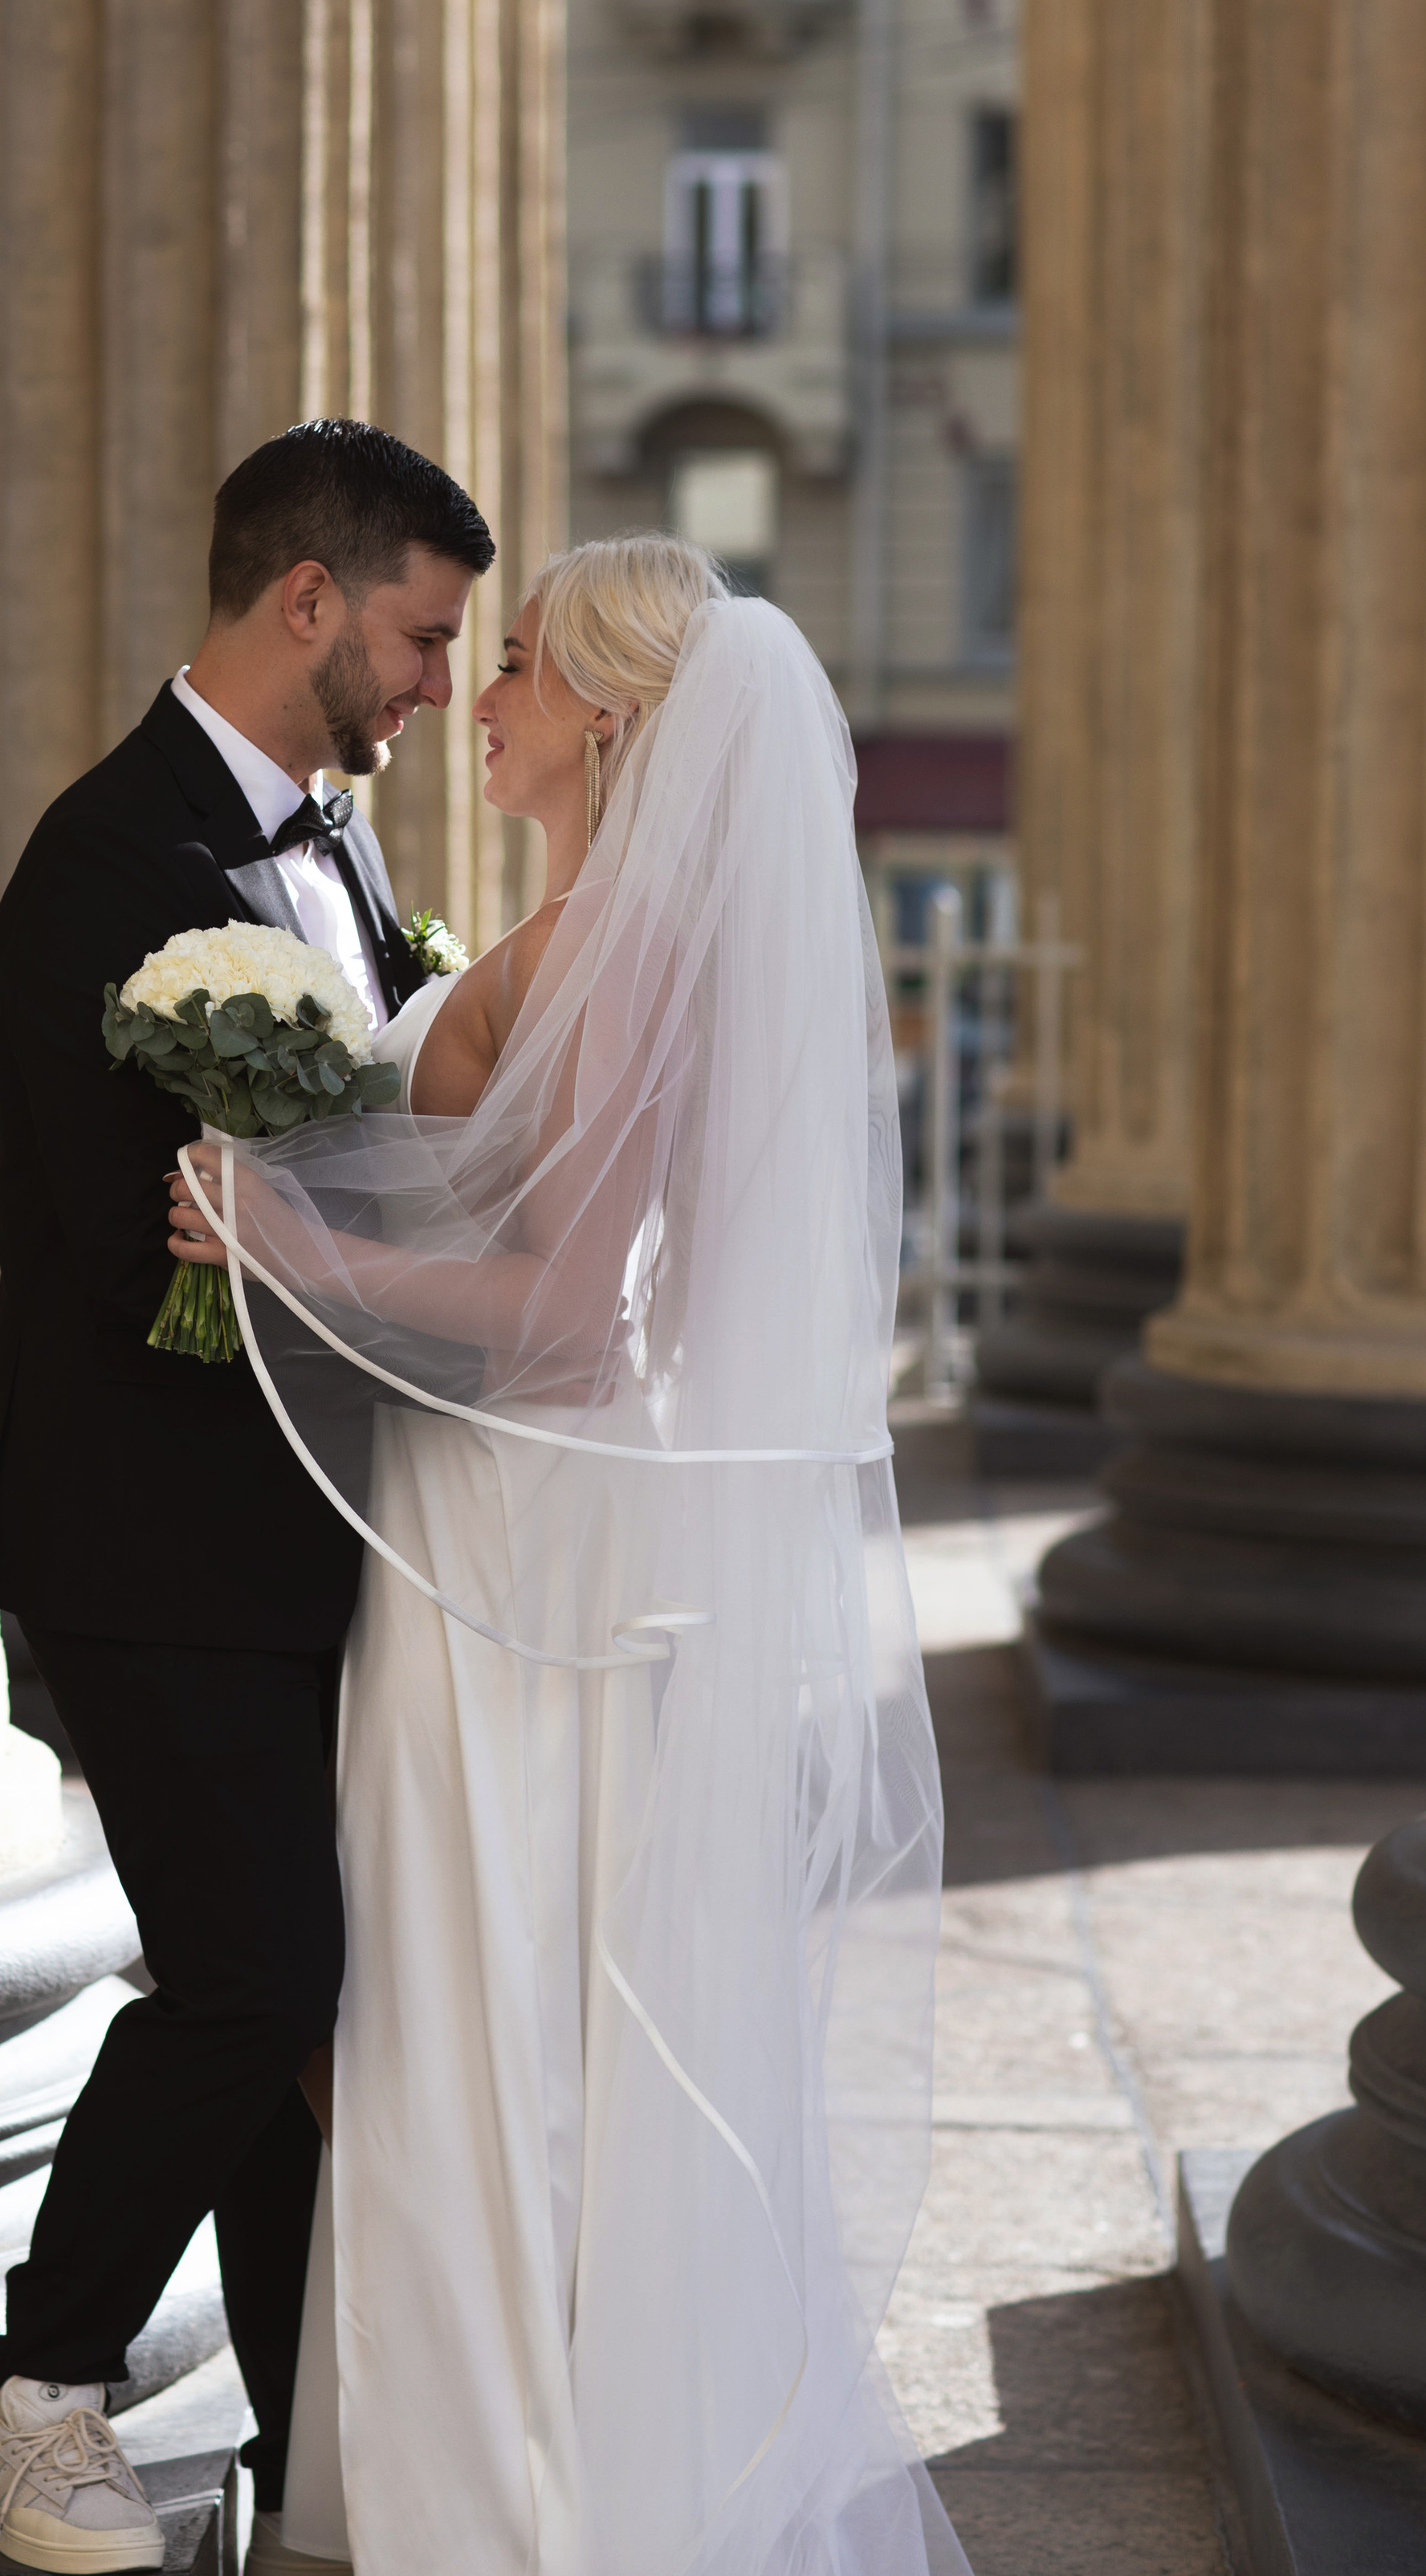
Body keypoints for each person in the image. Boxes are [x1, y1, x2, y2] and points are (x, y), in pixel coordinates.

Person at [168, 539, 970, 2576]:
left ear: (609, 723)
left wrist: (295, 1243)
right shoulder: (594, 929)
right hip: (500, 1511)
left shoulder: (622, 952)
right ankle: (483, 2459)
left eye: (515, 664)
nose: (483, 695)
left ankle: (516, 2499)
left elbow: (564, 1314)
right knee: (474, 1980)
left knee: (488, 1993)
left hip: (524, 1528)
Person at [0, 420, 493, 2574]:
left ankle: (305, 2470)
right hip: (148, 1551)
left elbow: (312, 1182)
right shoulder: (107, 860)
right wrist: (335, 1249)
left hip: (302, 1547)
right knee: (261, 1980)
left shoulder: (339, 849)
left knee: (300, 2010)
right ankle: (36, 2394)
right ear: (308, 602)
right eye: (424, 634)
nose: (439, 679)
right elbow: (117, 1242)